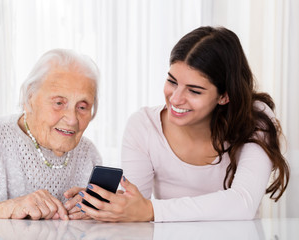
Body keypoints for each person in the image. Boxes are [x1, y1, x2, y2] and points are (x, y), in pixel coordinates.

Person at [74, 26, 290, 222]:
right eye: (172, 81)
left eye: (194, 91)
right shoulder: (144, 125)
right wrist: (104, 206)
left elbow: (243, 204)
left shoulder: (255, 119)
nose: (176, 99)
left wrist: (152, 211)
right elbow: (135, 208)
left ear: (224, 96)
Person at [0, 49, 102, 219]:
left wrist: (97, 217)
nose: (72, 120)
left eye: (82, 107)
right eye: (59, 103)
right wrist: (1, 211)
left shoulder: (88, 154)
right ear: (29, 96)